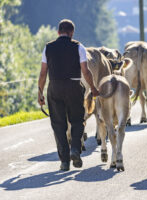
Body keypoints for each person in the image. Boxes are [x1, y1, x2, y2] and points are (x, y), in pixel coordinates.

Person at [38, 19, 99, 171]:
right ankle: (75, 150)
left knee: (59, 125)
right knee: (77, 121)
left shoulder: (48, 48)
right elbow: (85, 71)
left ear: (58, 32)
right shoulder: (79, 47)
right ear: (72, 33)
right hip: (73, 87)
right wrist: (93, 87)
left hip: (55, 87)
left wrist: (40, 92)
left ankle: (64, 162)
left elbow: (43, 73)